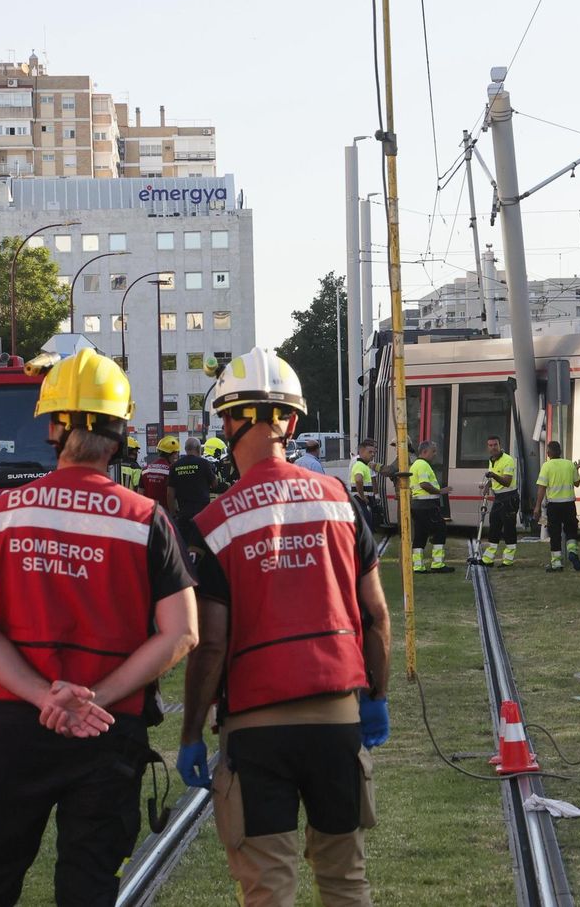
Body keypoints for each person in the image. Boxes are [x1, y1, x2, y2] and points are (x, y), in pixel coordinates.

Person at [0, 350, 198, 907]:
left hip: (12, 724)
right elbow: (181, 633)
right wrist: (91, 701)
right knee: (88, 889)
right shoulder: (144, 519)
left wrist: (43, 697)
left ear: (54, 428)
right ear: (120, 431)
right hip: (109, 726)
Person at [180, 348, 391, 907]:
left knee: (268, 889)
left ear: (228, 424)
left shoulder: (214, 523)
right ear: (292, 422)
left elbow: (213, 644)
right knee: (345, 879)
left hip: (255, 729)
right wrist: (376, 696)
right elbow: (375, 614)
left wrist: (190, 734)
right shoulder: (340, 501)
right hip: (338, 717)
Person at [535, 441, 580, 573]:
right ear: (560, 452)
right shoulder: (569, 464)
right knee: (571, 530)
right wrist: (576, 470)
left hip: (554, 506)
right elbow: (577, 483)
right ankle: (572, 552)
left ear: (549, 453)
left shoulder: (546, 466)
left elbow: (542, 488)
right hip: (569, 504)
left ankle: (556, 564)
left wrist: (537, 507)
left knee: (555, 534)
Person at [168, 436, 217, 553]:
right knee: (202, 549)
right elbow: (214, 484)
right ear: (199, 449)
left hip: (183, 514)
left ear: (185, 449)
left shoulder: (175, 466)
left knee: (184, 549)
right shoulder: (204, 463)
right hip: (202, 515)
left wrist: (173, 514)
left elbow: (170, 494)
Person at [409, 441, 450, 573]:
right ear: (425, 452)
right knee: (440, 529)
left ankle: (418, 566)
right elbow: (424, 484)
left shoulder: (416, 465)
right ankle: (437, 564)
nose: (435, 454)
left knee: (420, 535)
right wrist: (440, 491)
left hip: (417, 505)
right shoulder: (423, 465)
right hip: (427, 506)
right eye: (433, 451)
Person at [480, 435, 519, 567]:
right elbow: (492, 479)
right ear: (487, 447)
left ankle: (508, 560)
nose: (493, 448)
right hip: (498, 498)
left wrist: (494, 476)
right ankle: (488, 559)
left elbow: (507, 482)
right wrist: (487, 486)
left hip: (509, 498)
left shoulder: (508, 460)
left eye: (495, 445)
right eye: (490, 445)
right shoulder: (491, 460)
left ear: (500, 445)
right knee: (494, 528)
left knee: (509, 530)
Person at [140, 435, 180, 506]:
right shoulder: (172, 471)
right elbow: (172, 495)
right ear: (172, 454)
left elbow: (140, 493)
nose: (176, 456)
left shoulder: (145, 470)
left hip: (148, 512)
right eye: (176, 453)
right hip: (165, 513)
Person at [349, 438, 380, 531]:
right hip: (360, 501)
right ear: (361, 451)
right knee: (365, 529)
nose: (373, 455)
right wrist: (362, 496)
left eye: (374, 452)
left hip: (361, 501)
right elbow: (358, 480)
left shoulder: (365, 465)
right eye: (370, 452)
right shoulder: (360, 465)